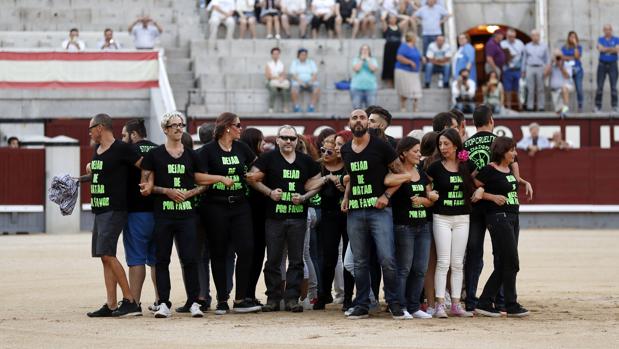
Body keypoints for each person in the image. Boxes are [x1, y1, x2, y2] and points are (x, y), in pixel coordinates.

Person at [139, 111, 229, 318]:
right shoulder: (154, 155)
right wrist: (166, 191)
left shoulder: (192, 154)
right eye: (174, 125)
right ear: (165, 129)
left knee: (191, 259)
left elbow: (200, 180)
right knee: (161, 259)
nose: (179, 128)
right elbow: (146, 185)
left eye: (181, 125)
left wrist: (191, 192)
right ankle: (163, 302)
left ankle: (194, 302)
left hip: (187, 215)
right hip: (163, 214)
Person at [462, 104, 532, 312]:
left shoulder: (466, 146)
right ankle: (501, 300)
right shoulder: (498, 141)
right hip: (499, 206)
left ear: (474, 123)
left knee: (474, 252)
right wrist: (517, 180)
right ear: (491, 120)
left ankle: (472, 301)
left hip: (476, 205)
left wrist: (475, 186)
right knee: (503, 253)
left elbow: (463, 170)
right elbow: (514, 165)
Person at [339, 109, 406, 320]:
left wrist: (386, 194)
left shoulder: (382, 146)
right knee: (359, 261)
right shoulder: (345, 149)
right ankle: (362, 304)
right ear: (349, 123)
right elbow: (351, 176)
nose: (358, 121)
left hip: (379, 211)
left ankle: (395, 303)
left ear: (368, 123)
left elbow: (402, 174)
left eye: (362, 118)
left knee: (387, 258)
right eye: (354, 118)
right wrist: (346, 197)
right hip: (355, 211)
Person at [247, 125, 322, 312]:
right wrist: (269, 192)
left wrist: (304, 197)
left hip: (298, 217)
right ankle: (273, 298)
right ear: (278, 140)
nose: (288, 141)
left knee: (297, 260)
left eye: (292, 138)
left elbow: (318, 182)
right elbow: (251, 178)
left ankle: (292, 299)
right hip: (274, 217)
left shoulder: (306, 161)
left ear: (297, 141)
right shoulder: (268, 158)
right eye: (284, 138)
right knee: (273, 259)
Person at [197, 112, 262, 314]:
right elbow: (197, 176)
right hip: (215, 205)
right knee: (219, 251)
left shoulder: (242, 148)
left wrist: (254, 176)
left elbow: (257, 167)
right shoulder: (207, 151)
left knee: (246, 249)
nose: (241, 128)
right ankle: (222, 299)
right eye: (238, 125)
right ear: (227, 127)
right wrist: (219, 179)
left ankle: (241, 298)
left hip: (240, 205)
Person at [82, 113, 141, 318]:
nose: (89, 132)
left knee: (107, 254)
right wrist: (79, 178)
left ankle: (130, 300)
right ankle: (111, 304)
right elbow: (101, 175)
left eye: (91, 128)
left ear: (100, 127)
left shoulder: (122, 148)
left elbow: (144, 165)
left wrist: (147, 183)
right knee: (103, 256)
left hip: (114, 208)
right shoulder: (97, 150)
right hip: (99, 208)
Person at [473, 136, 529, 317]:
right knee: (511, 262)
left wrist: (525, 182)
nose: (515, 153)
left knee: (506, 263)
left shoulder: (508, 169)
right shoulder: (489, 169)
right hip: (498, 217)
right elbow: (473, 191)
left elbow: (512, 183)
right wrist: (489, 196)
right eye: (512, 150)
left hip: (512, 217)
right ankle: (502, 303)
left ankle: (497, 302)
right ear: (502, 151)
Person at [384, 136, 437, 319]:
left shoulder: (422, 173)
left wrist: (428, 199)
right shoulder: (397, 172)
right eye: (415, 151)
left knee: (420, 268)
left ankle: (414, 306)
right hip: (403, 226)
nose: (418, 154)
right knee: (404, 268)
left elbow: (429, 198)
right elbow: (387, 181)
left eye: (419, 151)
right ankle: (400, 305)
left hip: (422, 226)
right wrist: (405, 176)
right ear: (404, 153)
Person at [425, 128, 476, 318]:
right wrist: (429, 194)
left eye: (446, 144)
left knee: (457, 263)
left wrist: (479, 191)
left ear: (456, 145)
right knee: (443, 261)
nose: (443, 147)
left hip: (463, 217)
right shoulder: (436, 167)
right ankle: (439, 304)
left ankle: (455, 303)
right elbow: (424, 182)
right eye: (440, 144)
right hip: (442, 217)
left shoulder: (466, 165)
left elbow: (478, 180)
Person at [120, 119, 158, 310]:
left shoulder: (127, 152)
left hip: (135, 212)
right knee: (157, 260)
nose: (122, 139)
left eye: (124, 135)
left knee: (136, 259)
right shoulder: (158, 149)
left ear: (134, 135)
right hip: (159, 212)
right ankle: (161, 300)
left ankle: (134, 302)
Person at [312, 134, 353, 310]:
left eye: (337, 146)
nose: (331, 150)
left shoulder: (349, 166)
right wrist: (326, 178)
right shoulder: (319, 166)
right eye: (326, 149)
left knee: (348, 257)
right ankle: (323, 294)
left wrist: (343, 187)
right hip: (328, 215)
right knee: (328, 256)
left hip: (349, 214)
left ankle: (348, 297)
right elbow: (308, 185)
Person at [240, 128, 268, 305]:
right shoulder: (258, 162)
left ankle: (245, 294)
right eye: (261, 140)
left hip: (246, 212)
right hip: (256, 214)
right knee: (255, 254)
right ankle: (247, 293)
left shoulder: (243, 159)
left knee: (250, 255)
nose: (264, 144)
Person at [522, 29, 550, 111]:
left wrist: (547, 69)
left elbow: (547, 59)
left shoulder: (544, 46)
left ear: (539, 36)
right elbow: (524, 59)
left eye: (537, 35)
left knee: (540, 88)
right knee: (530, 88)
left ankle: (541, 107)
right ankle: (530, 107)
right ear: (531, 37)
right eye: (533, 35)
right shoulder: (527, 46)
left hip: (540, 67)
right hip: (530, 67)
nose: (535, 37)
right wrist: (523, 71)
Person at [395, 32, 423, 112]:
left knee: (416, 89)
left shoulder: (414, 47)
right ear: (411, 38)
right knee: (404, 89)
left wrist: (422, 58)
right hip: (404, 71)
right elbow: (399, 57)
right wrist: (410, 62)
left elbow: (417, 55)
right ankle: (403, 107)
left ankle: (415, 107)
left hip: (414, 72)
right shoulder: (404, 46)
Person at [594, 24, 619, 113]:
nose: (607, 31)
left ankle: (615, 106)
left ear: (611, 30)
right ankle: (597, 106)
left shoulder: (616, 39)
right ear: (603, 30)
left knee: (613, 87)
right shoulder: (600, 39)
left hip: (613, 64)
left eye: (609, 29)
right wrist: (611, 49)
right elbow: (600, 49)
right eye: (605, 29)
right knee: (600, 87)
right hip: (602, 65)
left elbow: (617, 50)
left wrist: (606, 49)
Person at [290, 48, 320, 113]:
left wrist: (310, 81)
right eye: (302, 55)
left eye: (305, 55)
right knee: (293, 88)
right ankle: (296, 107)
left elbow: (315, 74)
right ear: (298, 55)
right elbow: (293, 75)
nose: (304, 56)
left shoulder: (311, 62)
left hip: (310, 81)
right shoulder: (295, 62)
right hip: (298, 81)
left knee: (317, 87)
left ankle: (311, 107)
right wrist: (300, 82)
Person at [500, 29, 524, 110]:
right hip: (507, 70)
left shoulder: (520, 43)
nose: (511, 38)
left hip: (518, 69)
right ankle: (508, 107)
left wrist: (523, 70)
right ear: (507, 36)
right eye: (510, 36)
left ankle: (520, 107)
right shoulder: (502, 44)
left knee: (519, 89)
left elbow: (524, 57)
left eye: (513, 37)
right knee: (507, 89)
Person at [350, 45, 379, 109]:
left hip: (370, 88)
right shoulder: (356, 59)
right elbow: (356, 69)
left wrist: (368, 60)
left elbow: (373, 69)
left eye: (366, 49)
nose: (365, 51)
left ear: (369, 51)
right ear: (360, 51)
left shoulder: (373, 59)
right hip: (357, 88)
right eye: (363, 49)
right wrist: (362, 60)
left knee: (371, 110)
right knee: (357, 109)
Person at [562, 31, 584, 112]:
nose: (572, 38)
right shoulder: (564, 47)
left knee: (579, 89)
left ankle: (580, 106)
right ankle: (566, 107)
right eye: (571, 37)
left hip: (577, 70)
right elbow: (563, 57)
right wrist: (572, 57)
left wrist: (575, 46)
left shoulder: (579, 47)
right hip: (568, 71)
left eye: (574, 37)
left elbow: (577, 57)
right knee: (566, 89)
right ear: (568, 38)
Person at [265, 47, 291, 113]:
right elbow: (268, 76)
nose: (276, 55)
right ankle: (271, 107)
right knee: (274, 90)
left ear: (279, 55)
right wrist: (278, 77)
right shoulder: (268, 64)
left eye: (277, 54)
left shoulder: (281, 64)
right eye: (274, 54)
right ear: (272, 55)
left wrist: (281, 78)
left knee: (285, 90)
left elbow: (283, 75)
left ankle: (285, 107)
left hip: (280, 82)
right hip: (271, 82)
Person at [549, 50, 573, 117]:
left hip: (567, 86)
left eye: (559, 57)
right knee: (558, 111)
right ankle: (562, 110)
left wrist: (561, 67)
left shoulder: (567, 64)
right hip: (555, 89)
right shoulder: (552, 65)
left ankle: (565, 109)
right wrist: (551, 62)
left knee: (564, 88)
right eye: (556, 57)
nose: (558, 59)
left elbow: (567, 76)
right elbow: (545, 74)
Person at [382, 14, 402, 88]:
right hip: (389, 49)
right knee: (389, 65)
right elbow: (383, 20)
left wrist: (398, 15)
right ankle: (390, 83)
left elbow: (407, 19)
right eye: (391, 18)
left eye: (394, 18)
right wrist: (384, 18)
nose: (393, 19)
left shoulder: (399, 27)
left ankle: (396, 82)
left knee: (398, 64)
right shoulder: (387, 27)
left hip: (398, 48)